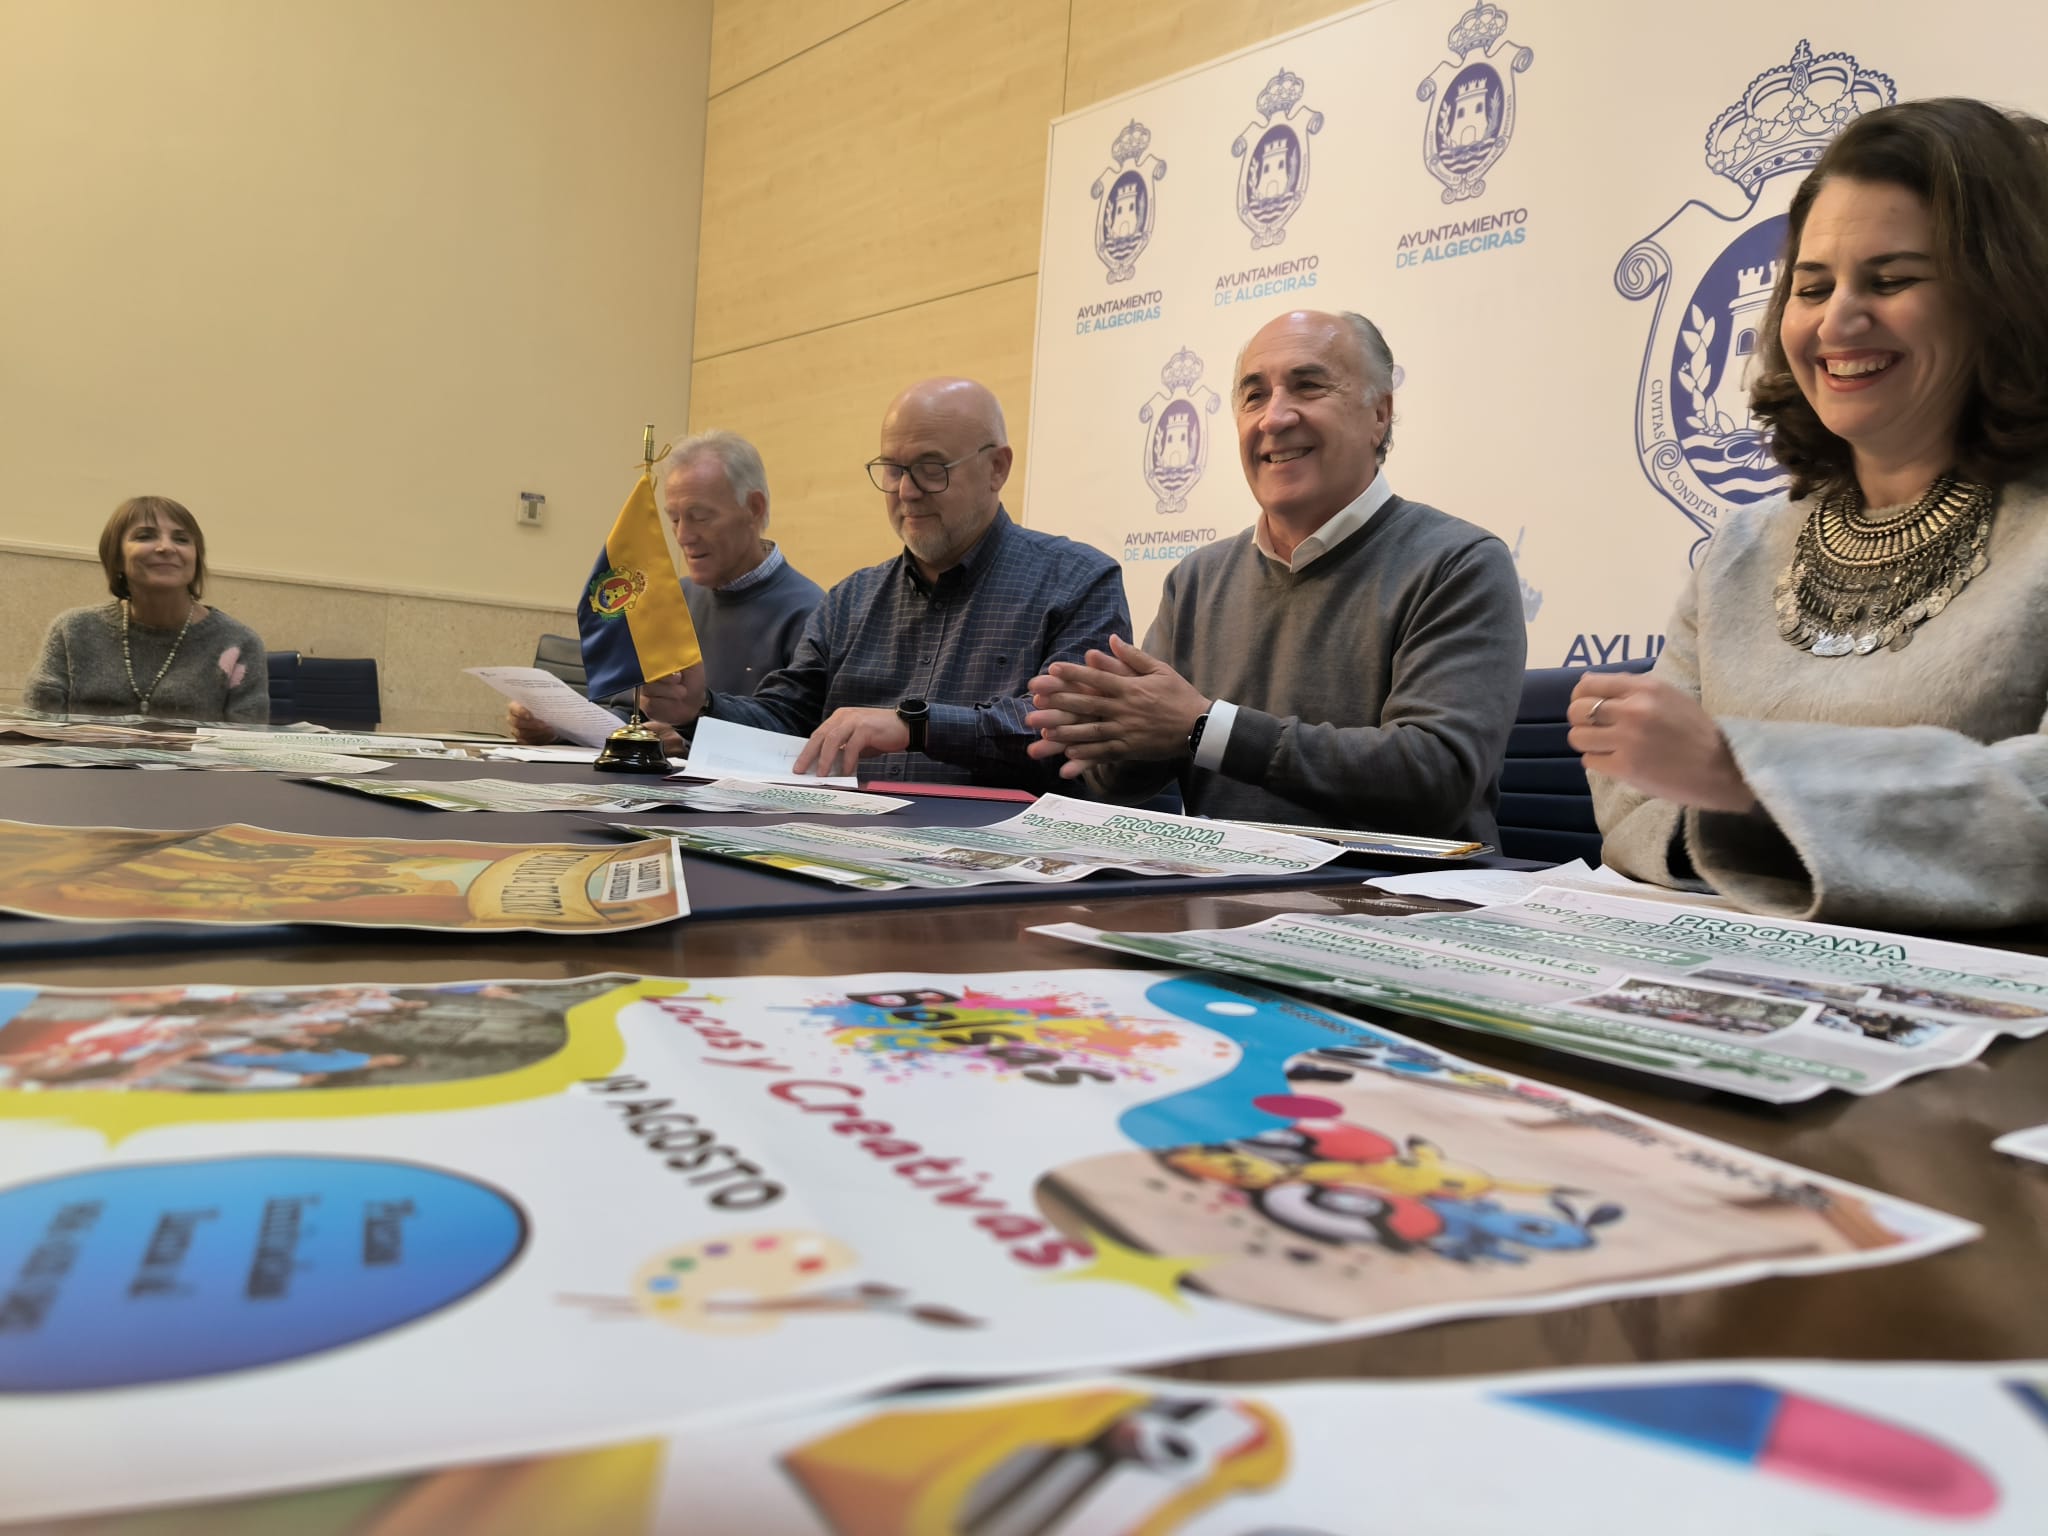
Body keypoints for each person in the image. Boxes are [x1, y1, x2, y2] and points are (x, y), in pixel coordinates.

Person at [1576, 98, 2048, 929]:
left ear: (2003, 299)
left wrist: (1742, 776)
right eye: (1813, 287)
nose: (1837, 320)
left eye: (1891, 281)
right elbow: (1635, 805)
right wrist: (1732, 790)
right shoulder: (1740, 547)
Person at [1024, 310, 1525, 841]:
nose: (1274, 418)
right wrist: (1103, 735)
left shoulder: (1459, 562)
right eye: (1254, 396)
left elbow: (1436, 776)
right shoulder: (1197, 579)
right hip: (1224, 883)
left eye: (1308, 386)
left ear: (1380, 414)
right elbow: (1122, 784)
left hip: (1391, 890)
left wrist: (1205, 727)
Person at [642, 376, 1130, 787]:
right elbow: (787, 720)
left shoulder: (1079, 581)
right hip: (843, 844)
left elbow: (1066, 728)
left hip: (994, 854)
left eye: (931, 469)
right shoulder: (850, 601)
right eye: (893, 470)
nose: (906, 491)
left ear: (996, 468)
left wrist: (917, 726)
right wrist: (700, 707)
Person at [506, 430, 822, 742]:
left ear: (754, 508)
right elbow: (629, 714)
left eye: (700, 517)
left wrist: (690, 740)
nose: (683, 536)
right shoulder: (674, 598)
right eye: (674, 519)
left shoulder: (811, 614)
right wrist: (559, 729)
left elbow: (796, 736)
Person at [26, 496, 268, 724]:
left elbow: (246, 744)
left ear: (196, 559)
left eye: (181, 539)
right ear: (116, 557)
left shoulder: (239, 642)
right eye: (145, 536)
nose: (166, 547)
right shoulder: (73, 631)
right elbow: (36, 728)